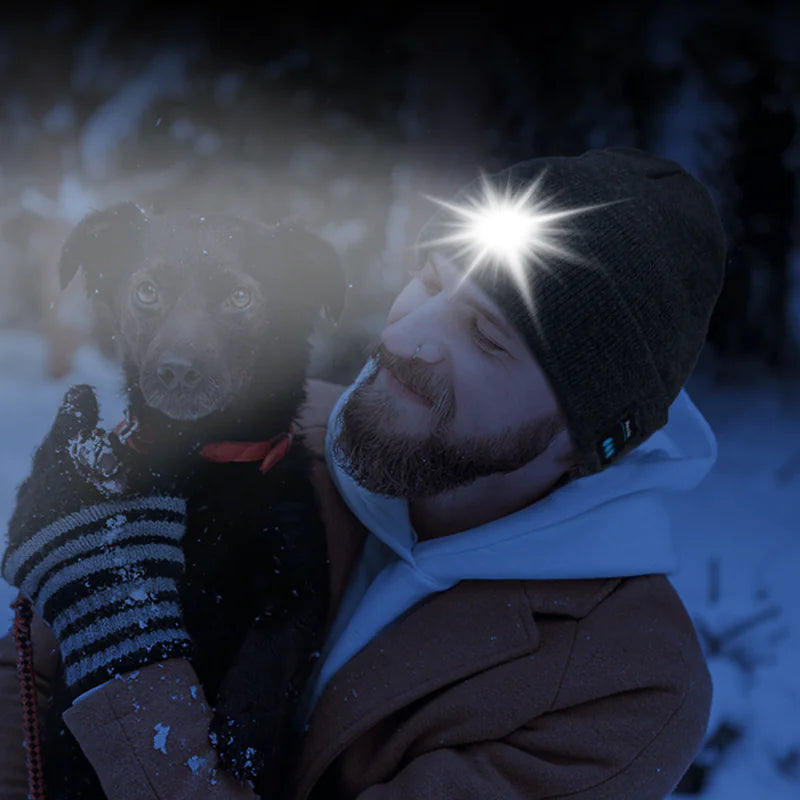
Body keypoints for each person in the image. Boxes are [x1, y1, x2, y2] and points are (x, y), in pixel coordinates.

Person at [0, 146, 724, 799]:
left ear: (587, 439)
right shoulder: (259, 441)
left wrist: (120, 642)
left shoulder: (625, 687)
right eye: (430, 283)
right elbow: (24, 682)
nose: (408, 336)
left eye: (486, 337)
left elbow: (103, 647)